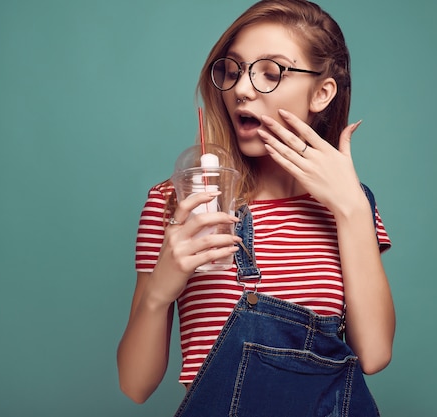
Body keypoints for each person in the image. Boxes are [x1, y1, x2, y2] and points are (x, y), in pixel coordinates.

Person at [117, 0, 395, 414]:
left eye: (270, 73)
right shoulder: (176, 203)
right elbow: (134, 385)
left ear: (321, 93)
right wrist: (160, 289)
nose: (243, 89)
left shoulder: (352, 207)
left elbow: (373, 354)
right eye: (233, 70)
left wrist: (352, 209)